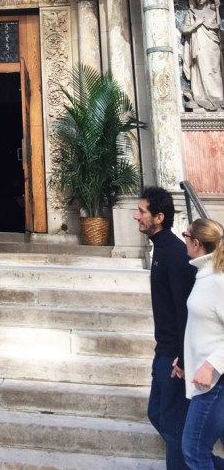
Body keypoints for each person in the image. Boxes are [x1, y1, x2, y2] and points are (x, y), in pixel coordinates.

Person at [134, 186, 196, 470]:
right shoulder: (160, 249)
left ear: (159, 217)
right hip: (163, 351)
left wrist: (183, 359)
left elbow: (185, 311)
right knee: (157, 414)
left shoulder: (175, 254)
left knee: (173, 429)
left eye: (142, 211)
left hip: (173, 357)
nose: (136, 216)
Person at [180, 218, 224, 470]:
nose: (184, 239)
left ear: (196, 243)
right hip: (208, 378)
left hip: (215, 382)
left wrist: (209, 365)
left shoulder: (218, 280)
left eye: (185, 235)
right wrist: (186, 359)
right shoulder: (205, 275)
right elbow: (203, 326)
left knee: (194, 451)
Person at [182, 0, 224, 112]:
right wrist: (196, 23)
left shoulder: (213, 12)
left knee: (215, 70)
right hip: (199, 45)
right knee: (202, 70)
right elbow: (185, 30)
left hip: (212, 45)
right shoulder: (191, 12)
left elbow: (218, 27)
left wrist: (217, 8)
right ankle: (202, 98)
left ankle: (219, 98)